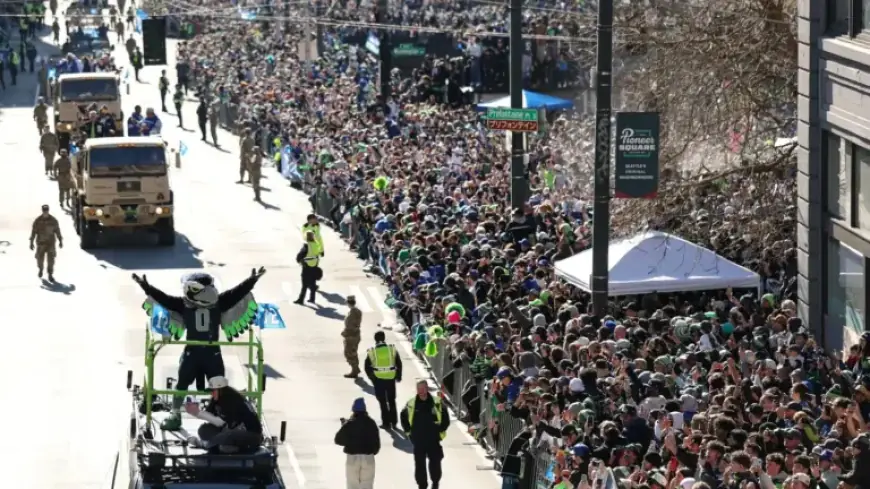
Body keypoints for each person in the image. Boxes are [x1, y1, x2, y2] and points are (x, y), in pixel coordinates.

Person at [131, 268, 267, 430]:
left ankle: (219, 414)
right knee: (183, 384)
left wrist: (252, 280)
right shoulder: (191, 304)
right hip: (201, 353)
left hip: (204, 353)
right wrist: (146, 286)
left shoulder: (208, 303)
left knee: (217, 386)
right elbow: (163, 299)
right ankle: (176, 414)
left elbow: (237, 292)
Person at [183, 376, 264, 454]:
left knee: (226, 436)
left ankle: (204, 444)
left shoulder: (232, 399)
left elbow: (220, 422)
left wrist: (197, 412)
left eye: (213, 391)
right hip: (232, 430)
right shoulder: (216, 398)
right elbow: (209, 415)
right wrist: (194, 411)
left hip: (251, 434)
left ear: (221, 390)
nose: (211, 393)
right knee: (204, 429)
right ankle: (221, 446)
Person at [400, 380, 449, 489]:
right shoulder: (411, 404)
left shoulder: (437, 402)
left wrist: (440, 430)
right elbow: (403, 418)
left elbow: (445, 418)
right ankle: (422, 485)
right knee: (419, 465)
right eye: (419, 389)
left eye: (423, 388)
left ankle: (435, 483)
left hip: (433, 440)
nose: (421, 391)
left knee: (435, 463)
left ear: (427, 388)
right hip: (418, 440)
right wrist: (409, 432)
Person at [334, 398, 380, 489]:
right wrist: (371, 452)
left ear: (354, 411)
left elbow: (338, 440)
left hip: (352, 457)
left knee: (352, 485)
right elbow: (376, 444)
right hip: (368, 457)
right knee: (367, 484)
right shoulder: (371, 423)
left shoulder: (349, 424)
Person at [364, 330, 402, 429]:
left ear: (375, 339)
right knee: (392, 401)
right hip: (390, 378)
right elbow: (399, 363)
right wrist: (398, 376)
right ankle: (394, 422)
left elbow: (367, 367)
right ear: (384, 338)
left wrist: (372, 379)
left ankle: (386, 423)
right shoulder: (392, 349)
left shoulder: (372, 352)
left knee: (382, 402)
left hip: (378, 380)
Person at [29, 204, 62, 281]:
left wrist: (60, 240)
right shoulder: (38, 221)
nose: (45, 212)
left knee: (51, 260)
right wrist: (31, 242)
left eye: (46, 210)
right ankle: (40, 269)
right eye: (44, 211)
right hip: (41, 243)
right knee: (39, 259)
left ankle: (50, 274)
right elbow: (33, 232)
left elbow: (57, 231)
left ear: (48, 210)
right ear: (42, 211)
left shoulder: (53, 220)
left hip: (51, 243)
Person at [294, 230, 322, 305]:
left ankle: (301, 299)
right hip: (314, 265)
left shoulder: (306, 245)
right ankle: (312, 298)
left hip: (307, 266)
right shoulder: (316, 244)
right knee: (312, 281)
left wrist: (299, 260)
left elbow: (300, 255)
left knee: (304, 284)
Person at [342, 295, 363, 379]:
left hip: (351, 336)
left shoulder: (352, 314)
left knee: (348, 353)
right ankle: (356, 369)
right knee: (353, 352)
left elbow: (350, 326)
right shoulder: (357, 311)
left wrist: (345, 333)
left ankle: (354, 370)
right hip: (356, 335)